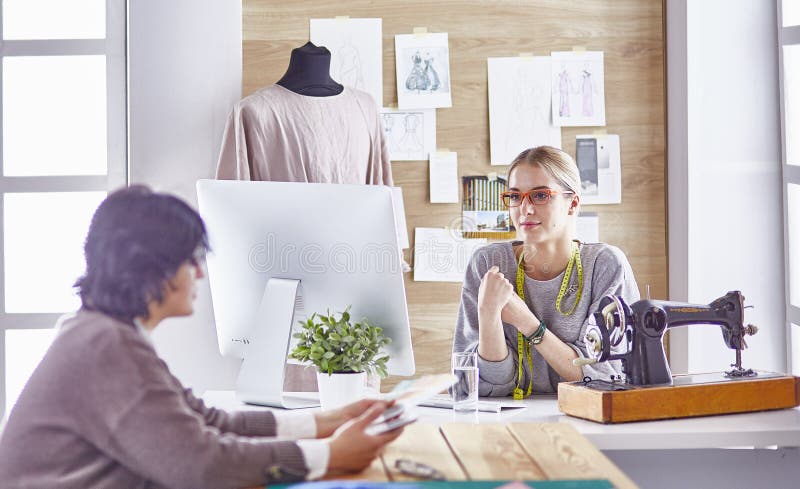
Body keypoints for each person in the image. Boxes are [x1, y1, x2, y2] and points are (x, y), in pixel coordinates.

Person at [0, 186, 403, 488]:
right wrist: (330, 453)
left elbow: (206, 421)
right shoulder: (105, 347)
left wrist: (327, 420)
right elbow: (201, 464)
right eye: (190, 260)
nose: (199, 274)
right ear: (151, 269)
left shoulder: (102, 334)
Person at [453, 146, 639, 398]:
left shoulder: (605, 265)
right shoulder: (488, 263)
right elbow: (482, 387)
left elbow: (605, 376)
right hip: (508, 420)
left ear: (572, 203)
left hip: (592, 418)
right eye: (516, 196)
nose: (525, 209)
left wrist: (526, 322)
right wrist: (488, 316)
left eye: (540, 195)